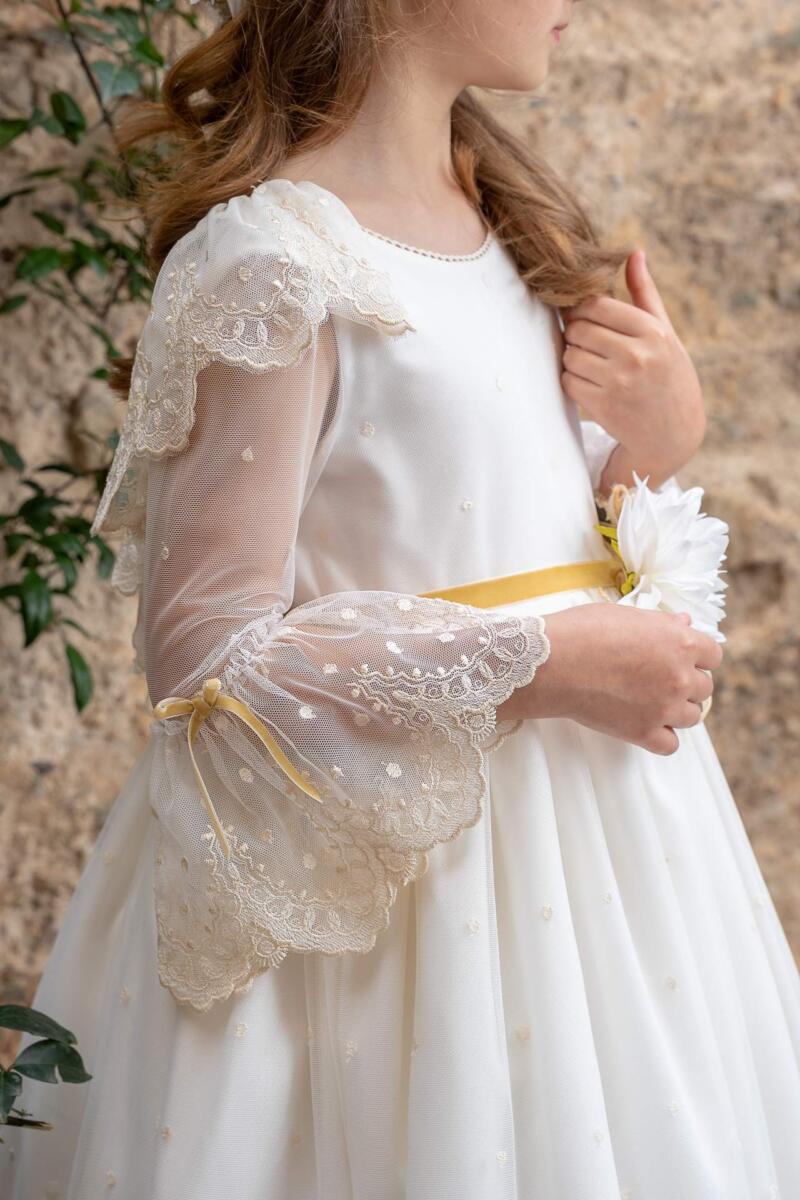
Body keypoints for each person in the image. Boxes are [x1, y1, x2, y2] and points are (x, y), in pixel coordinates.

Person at [4, 1, 800, 1197]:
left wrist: (653, 445)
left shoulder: (513, 226)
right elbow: (203, 656)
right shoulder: (273, 263)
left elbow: (532, 533)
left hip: (601, 872)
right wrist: (544, 664)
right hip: (396, 895)